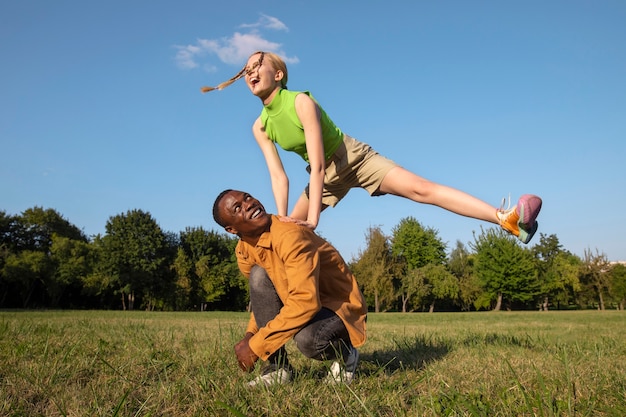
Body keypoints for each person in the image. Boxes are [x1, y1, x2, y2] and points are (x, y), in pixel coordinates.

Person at [201, 51, 543, 244]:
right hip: (324, 177)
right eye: (246, 69)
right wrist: (286, 219)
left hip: (352, 157)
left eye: (257, 64)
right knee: (287, 235)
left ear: (279, 75)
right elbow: (279, 178)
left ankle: (507, 220)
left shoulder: (300, 102)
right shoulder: (260, 126)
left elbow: (318, 164)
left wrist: (314, 217)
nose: (250, 71)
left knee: (421, 189)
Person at [212, 189, 367, 387]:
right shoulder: (243, 251)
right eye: (238, 207)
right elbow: (264, 299)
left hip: (339, 306)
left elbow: (306, 302)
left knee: (309, 340)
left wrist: (256, 346)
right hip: (301, 303)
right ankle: (278, 369)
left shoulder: (289, 235)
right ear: (231, 229)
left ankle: (347, 353)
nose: (249, 204)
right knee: (259, 275)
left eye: (248, 197)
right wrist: (250, 335)